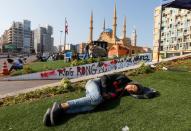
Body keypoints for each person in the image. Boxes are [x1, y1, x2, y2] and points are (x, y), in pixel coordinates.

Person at [43, 73, 159, 126]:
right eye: (133, 87)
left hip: (95, 96)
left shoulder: (124, 92)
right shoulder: (123, 78)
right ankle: (62, 105)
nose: (131, 89)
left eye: (132, 91)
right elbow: (104, 77)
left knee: (92, 106)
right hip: (94, 84)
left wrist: (151, 93)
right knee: (97, 99)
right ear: (133, 83)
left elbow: (145, 92)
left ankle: (61, 112)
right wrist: (104, 92)